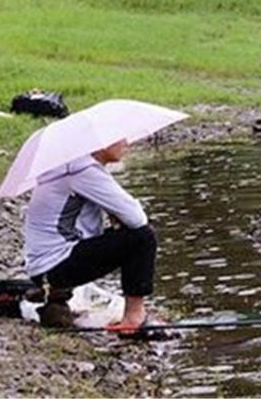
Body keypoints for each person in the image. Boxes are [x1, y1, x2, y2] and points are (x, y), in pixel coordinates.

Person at [24, 139, 163, 337]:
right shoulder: (82, 171)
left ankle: (57, 298)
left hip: (44, 267)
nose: (127, 144)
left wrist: (116, 215)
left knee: (130, 234)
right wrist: (119, 215)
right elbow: (137, 218)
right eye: (121, 139)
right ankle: (134, 318)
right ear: (103, 143)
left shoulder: (72, 166)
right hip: (53, 267)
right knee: (142, 237)